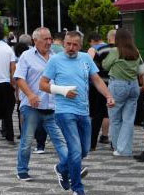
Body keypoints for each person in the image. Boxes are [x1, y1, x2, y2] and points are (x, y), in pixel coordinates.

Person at [40, 31, 115, 195]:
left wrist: (108, 95)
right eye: (68, 44)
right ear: (64, 43)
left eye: (75, 45)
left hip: (83, 110)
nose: (71, 48)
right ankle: (77, 189)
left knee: (84, 150)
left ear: (81, 46)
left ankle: (61, 168)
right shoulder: (55, 60)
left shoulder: (86, 58)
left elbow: (96, 79)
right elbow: (42, 84)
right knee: (75, 150)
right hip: (64, 111)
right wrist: (62, 90)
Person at [15, 27, 69, 182]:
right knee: (27, 139)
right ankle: (22, 170)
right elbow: (19, 78)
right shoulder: (26, 56)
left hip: (51, 105)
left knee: (59, 140)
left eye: (50, 38)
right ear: (35, 40)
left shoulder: (56, 56)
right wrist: (30, 94)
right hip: (31, 105)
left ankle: (70, 168)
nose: (49, 42)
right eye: (45, 39)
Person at [102, 28, 144, 157]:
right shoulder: (136, 51)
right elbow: (141, 70)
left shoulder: (115, 51)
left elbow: (105, 65)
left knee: (115, 119)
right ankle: (125, 149)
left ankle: (118, 148)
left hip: (118, 85)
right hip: (133, 85)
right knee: (128, 119)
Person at [86, 31, 112, 151]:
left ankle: (92, 142)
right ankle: (106, 136)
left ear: (91, 41)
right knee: (108, 113)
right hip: (113, 83)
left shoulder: (94, 50)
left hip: (98, 84)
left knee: (96, 113)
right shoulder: (114, 49)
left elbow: (88, 65)